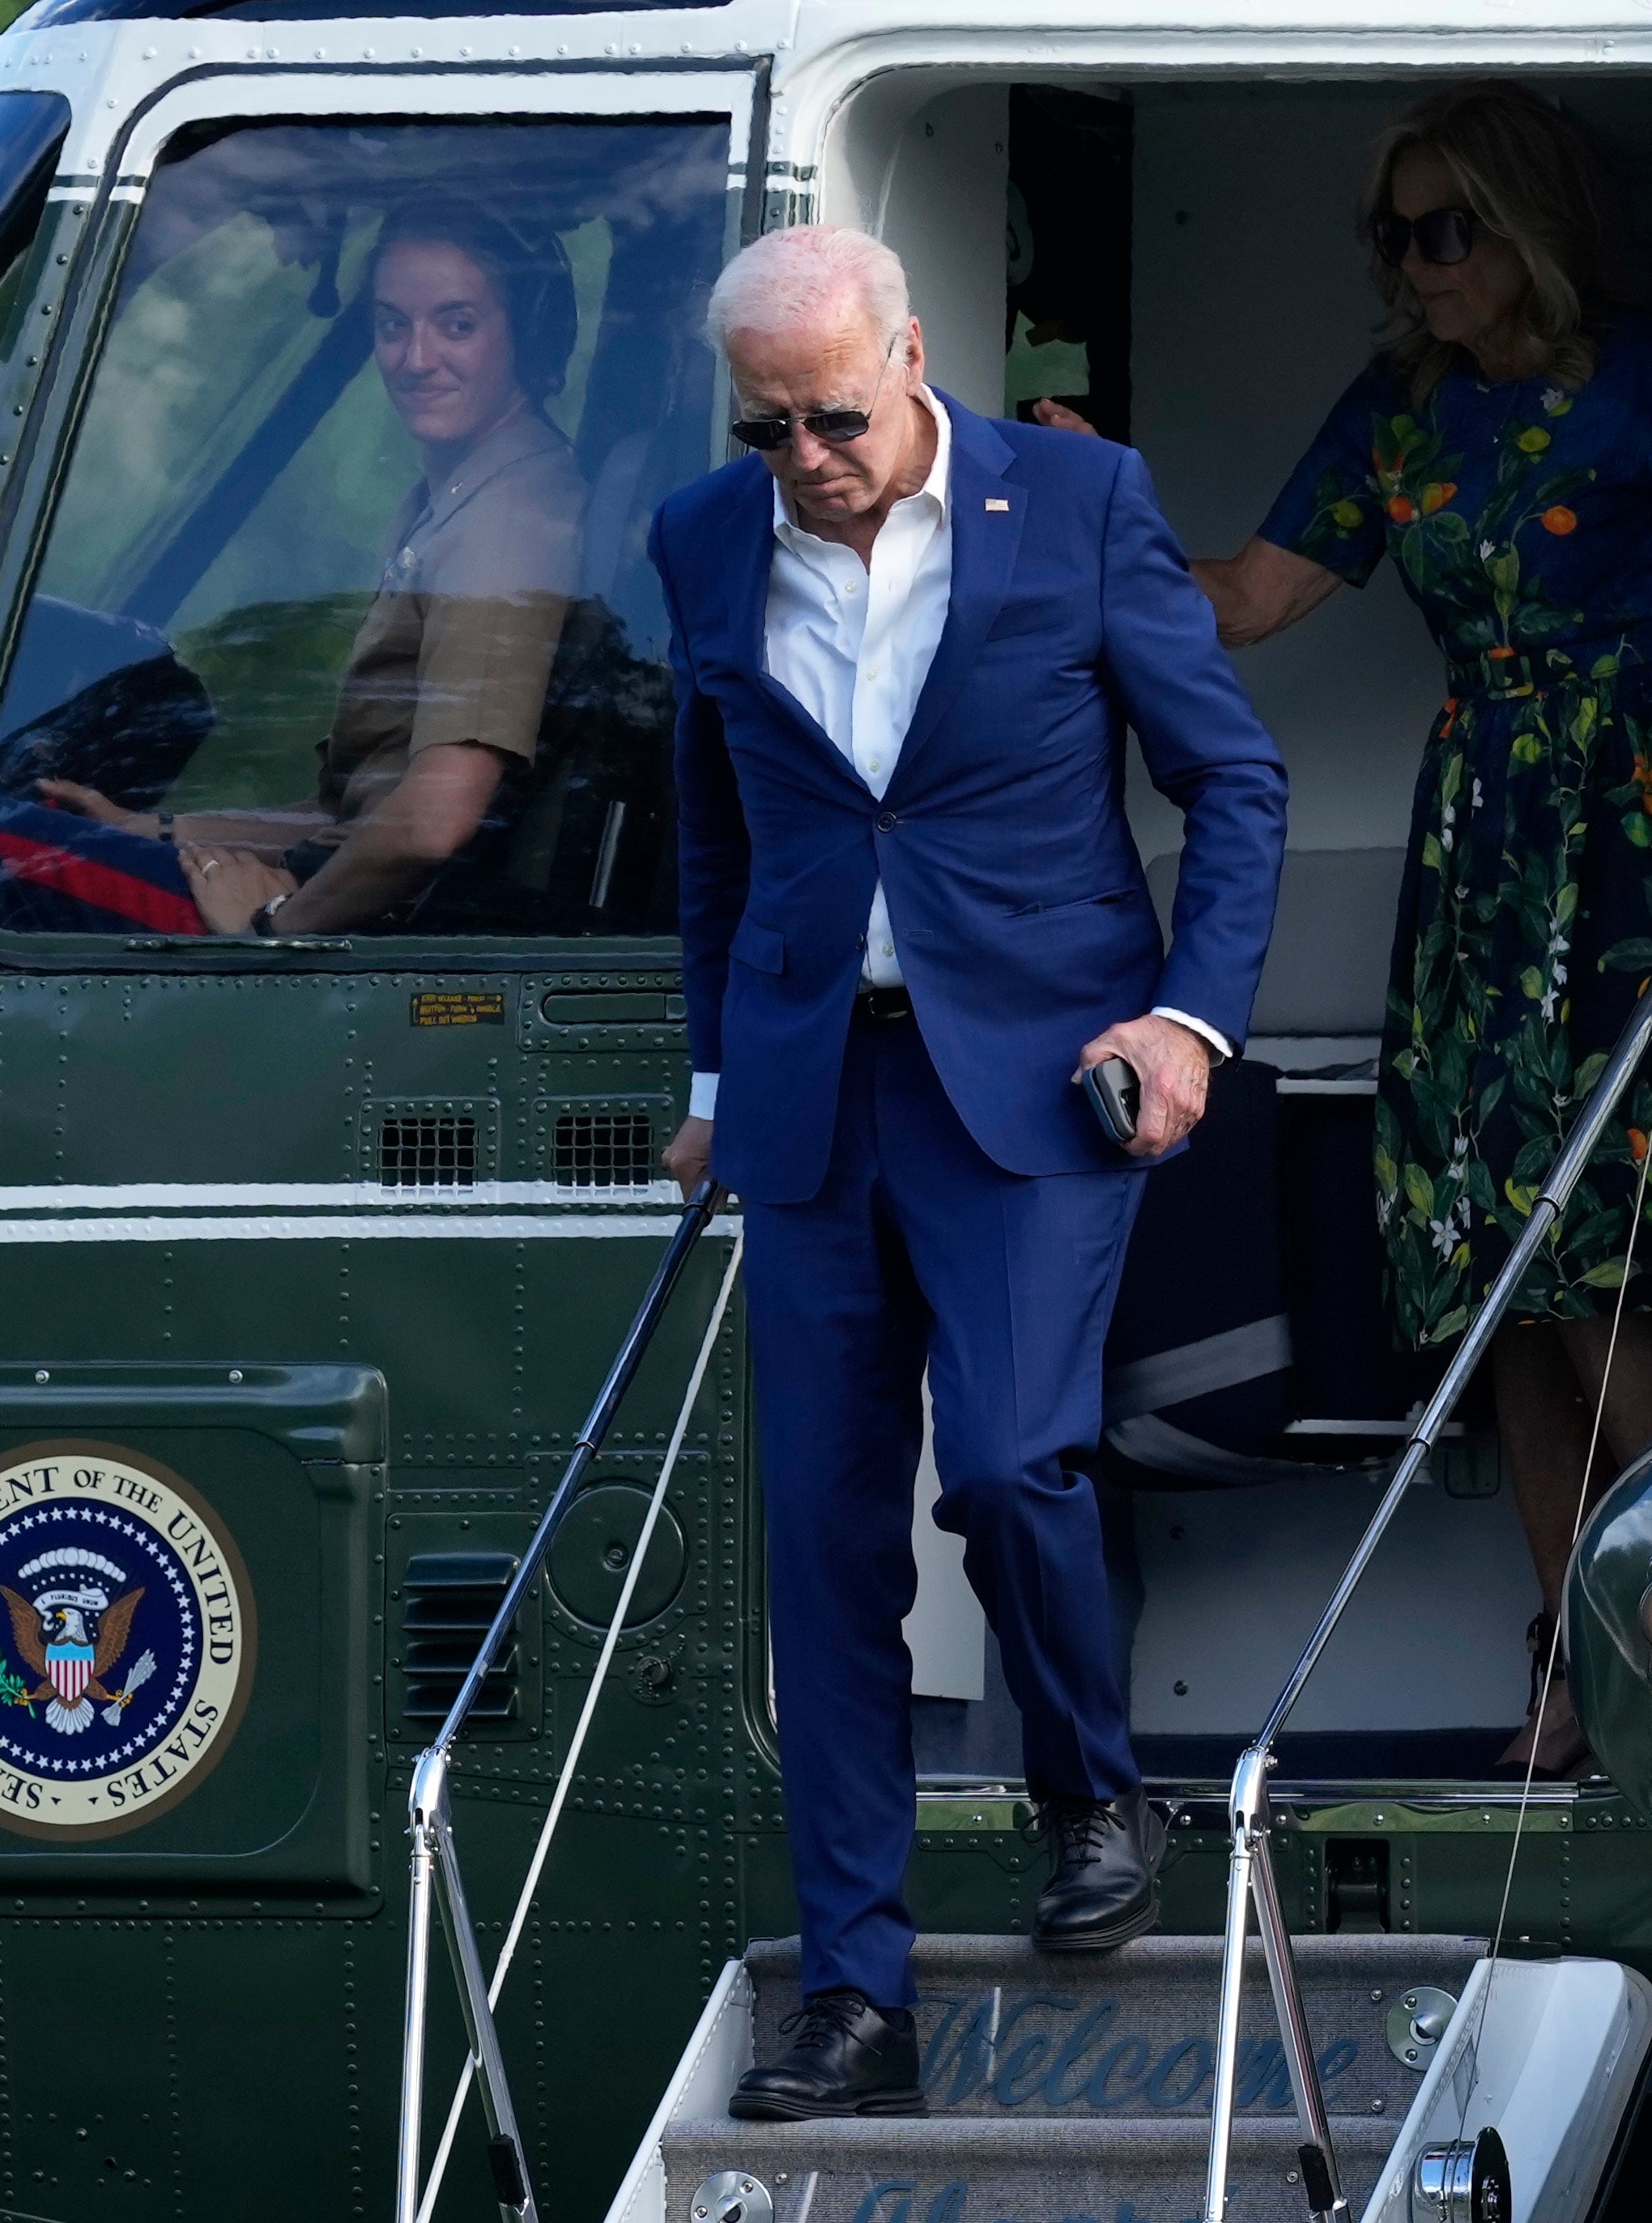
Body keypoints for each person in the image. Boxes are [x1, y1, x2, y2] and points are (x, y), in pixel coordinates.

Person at [658, 224, 1285, 2118]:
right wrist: (707, 1069)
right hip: (805, 1095)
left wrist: (1189, 1023)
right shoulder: (707, 536)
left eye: (834, 416)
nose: (807, 458)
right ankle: (856, 1993)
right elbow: (714, 829)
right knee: (824, 1551)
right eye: (767, 428)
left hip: (1032, 1081)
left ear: (913, 357)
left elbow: (1232, 780)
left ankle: (1092, 1780)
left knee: (1013, 1462)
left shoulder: (1079, 500)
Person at [1039, 83, 1652, 1776]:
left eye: (1440, 229)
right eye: (1390, 236)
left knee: (1599, 1259)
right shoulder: (1403, 409)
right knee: (1492, 1260)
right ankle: (1570, 1667)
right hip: (1483, 836)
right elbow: (1252, 600)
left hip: (1631, 829)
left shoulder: (1645, 378)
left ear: (1523, 222)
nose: (1410, 268)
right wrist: (1085, 505)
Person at [11, 195, 587, 934]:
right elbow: (351, 815)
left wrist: (270, 929)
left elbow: (430, 822)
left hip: (351, 921)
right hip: (334, 885)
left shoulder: (504, 520)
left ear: (527, 337)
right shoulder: (449, 495)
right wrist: (151, 830)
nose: (415, 359)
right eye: (391, 325)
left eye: (457, 324)